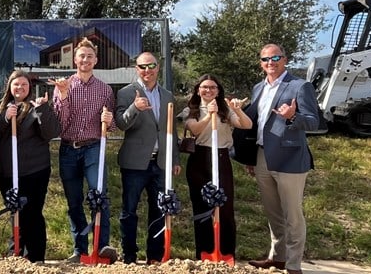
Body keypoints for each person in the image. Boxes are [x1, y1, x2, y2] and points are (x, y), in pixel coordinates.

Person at [244, 44, 319, 274]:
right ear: (261, 63)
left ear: (285, 59)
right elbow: (256, 124)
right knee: (273, 211)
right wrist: (250, 157)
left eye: (275, 57)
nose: (270, 62)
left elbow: (314, 122)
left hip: (291, 159)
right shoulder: (258, 88)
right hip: (262, 155)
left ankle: (294, 265)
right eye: (266, 59)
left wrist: (293, 116)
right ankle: (277, 257)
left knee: (292, 215)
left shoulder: (300, 86)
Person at [50, 37, 119, 264]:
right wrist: (63, 96)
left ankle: (101, 246)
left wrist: (109, 121)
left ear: (95, 60)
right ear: (75, 59)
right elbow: (61, 122)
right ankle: (80, 249)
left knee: (99, 197)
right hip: (69, 148)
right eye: (82, 56)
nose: (86, 59)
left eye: (90, 56)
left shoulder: (105, 89)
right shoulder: (65, 85)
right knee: (74, 201)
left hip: (93, 147)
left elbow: (112, 124)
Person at [114, 51, 181, 264]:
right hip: (134, 163)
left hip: (160, 163)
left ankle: (154, 256)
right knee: (129, 211)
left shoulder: (168, 95)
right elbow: (121, 124)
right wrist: (135, 107)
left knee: (160, 210)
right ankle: (130, 256)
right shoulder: (126, 93)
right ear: (136, 69)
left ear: (158, 68)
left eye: (151, 66)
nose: (147, 71)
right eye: (142, 67)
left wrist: (175, 159)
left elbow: (172, 131)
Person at [0, 70, 61, 262]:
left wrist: (44, 110)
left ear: (29, 88)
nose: (20, 88)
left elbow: (50, 133)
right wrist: (4, 117)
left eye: (24, 85)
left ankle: (35, 257)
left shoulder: (36, 107)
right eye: (16, 84)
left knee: (32, 214)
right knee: (15, 212)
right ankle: (16, 253)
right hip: (8, 172)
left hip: (34, 172)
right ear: (10, 87)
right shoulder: (0, 107)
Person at [181, 74, 252, 260]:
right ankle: (204, 253)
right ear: (198, 90)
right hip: (199, 159)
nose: (208, 90)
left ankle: (226, 253)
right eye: (204, 87)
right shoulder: (191, 110)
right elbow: (194, 129)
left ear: (218, 91)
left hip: (221, 159)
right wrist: (209, 116)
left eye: (213, 87)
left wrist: (237, 110)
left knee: (225, 207)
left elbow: (247, 125)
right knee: (202, 207)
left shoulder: (225, 110)